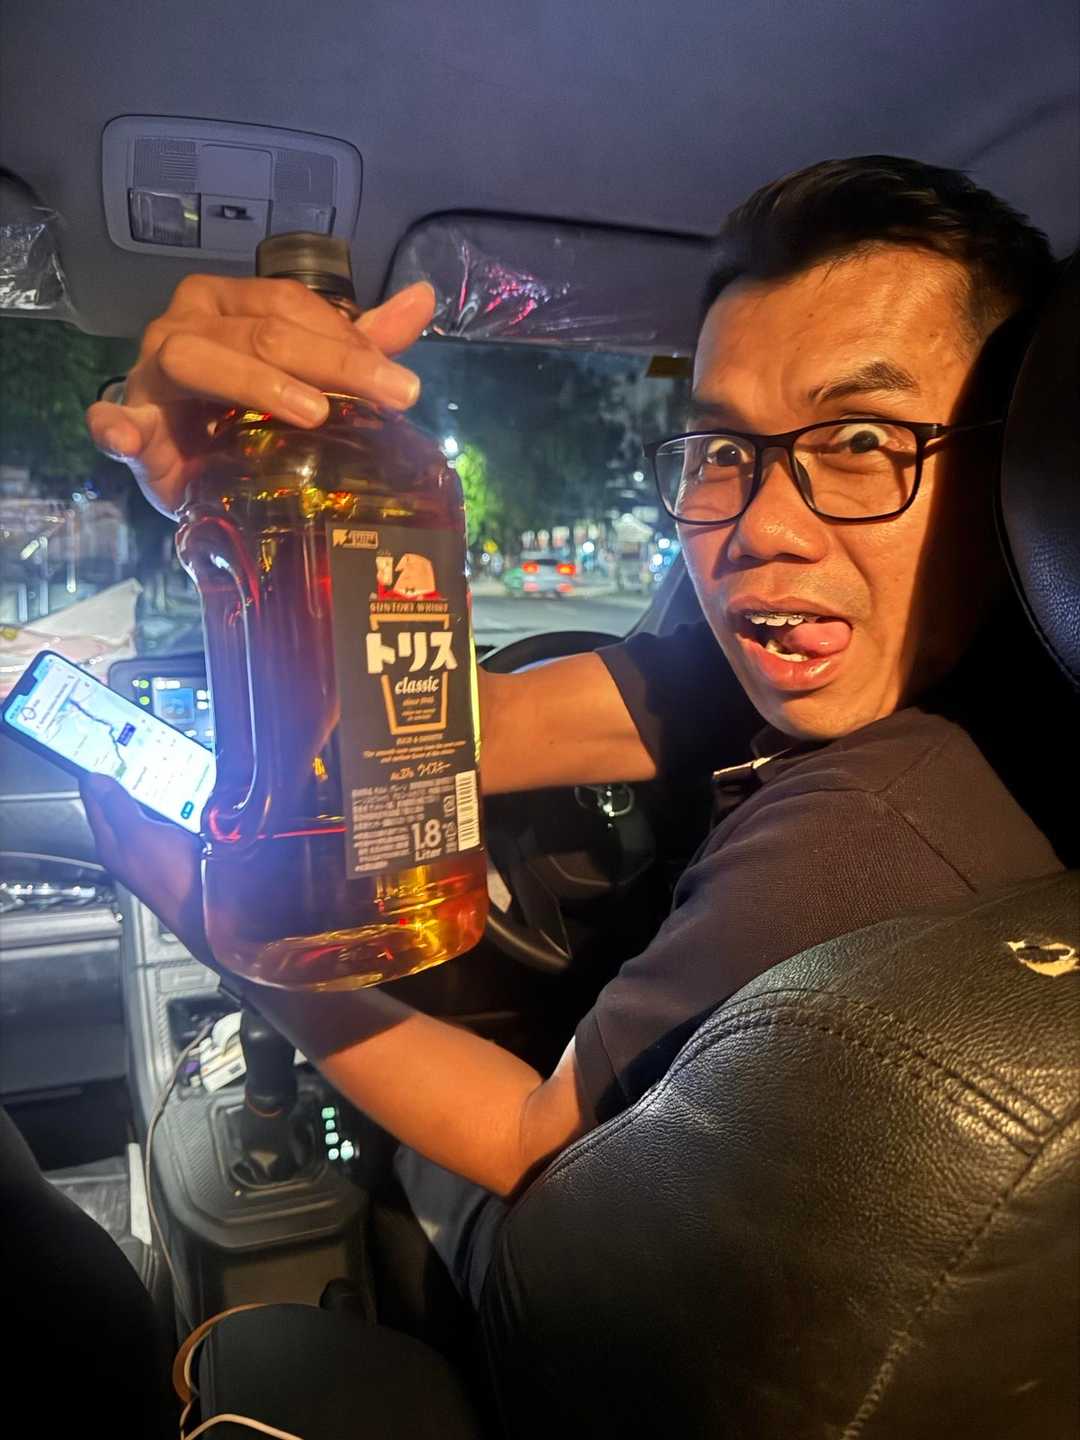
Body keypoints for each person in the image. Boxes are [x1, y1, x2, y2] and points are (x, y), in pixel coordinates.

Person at [82, 155, 1064, 1310]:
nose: (760, 530)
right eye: (724, 452)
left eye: (859, 440)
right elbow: (465, 728)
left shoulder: (866, 831)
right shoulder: (843, 668)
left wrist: (223, 930)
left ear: (1019, 464)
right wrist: (260, 512)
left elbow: (527, 1140)